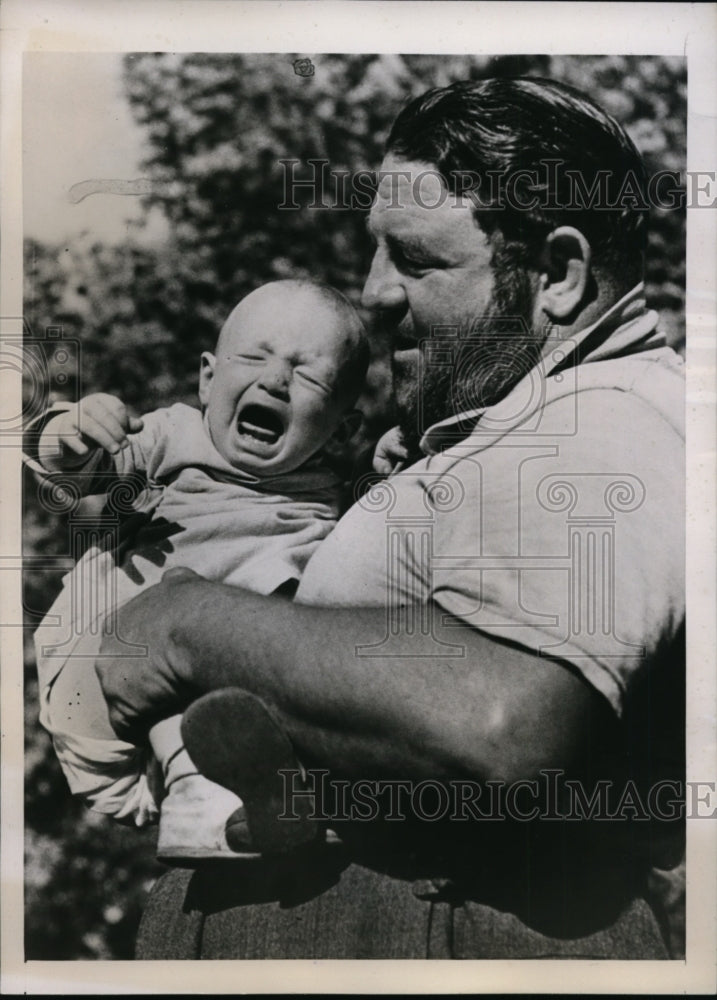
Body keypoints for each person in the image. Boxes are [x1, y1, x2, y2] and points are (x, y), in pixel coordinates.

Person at [95, 78, 685, 959]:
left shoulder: (601, 419)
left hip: (430, 926)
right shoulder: (523, 420)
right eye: (375, 253)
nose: (370, 294)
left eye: (416, 261)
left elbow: (505, 723)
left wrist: (188, 624)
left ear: (558, 274)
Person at [30, 279, 368, 863]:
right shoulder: (172, 436)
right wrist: (74, 431)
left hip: (218, 708)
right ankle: (196, 792)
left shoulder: (327, 497)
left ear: (341, 427)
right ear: (208, 378)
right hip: (101, 673)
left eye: (309, 376)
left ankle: (244, 804)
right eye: (254, 357)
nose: (275, 380)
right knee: (196, 620)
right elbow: (74, 476)